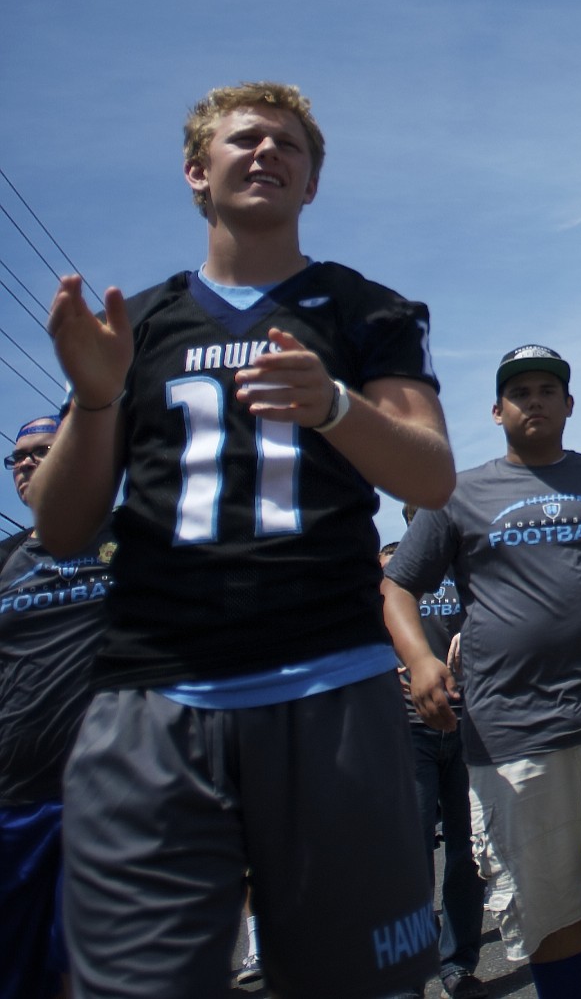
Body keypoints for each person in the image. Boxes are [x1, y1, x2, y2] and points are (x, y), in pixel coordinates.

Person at [30, 82, 454, 998]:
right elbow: (61, 529)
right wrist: (98, 398)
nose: (267, 152)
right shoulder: (135, 326)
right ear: (196, 171)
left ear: (310, 183)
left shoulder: (364, 309)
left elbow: (430, 478)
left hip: (330, 685)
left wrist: (336, 405)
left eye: (289, 145)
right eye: (244, 139)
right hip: (154, 698)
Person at [384, 345, 581, 999]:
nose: (534, 399)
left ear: (569, 405)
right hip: (509, 729)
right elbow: (397, 588)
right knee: (547, 900)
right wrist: (418, 660)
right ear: (497, 410)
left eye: (548, 389)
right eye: (520, 391)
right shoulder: (458, 493)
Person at [1, 412, 115, 999]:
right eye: (16, 456)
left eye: (42, 451)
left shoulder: (133, 538)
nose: (25, 462)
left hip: (110, 796)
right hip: (15, 799)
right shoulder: (5, 561)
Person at [380, 530, 489, 999]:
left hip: (470, 727)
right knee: (410, 856)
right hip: (409, 729)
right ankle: (408, 973)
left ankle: (457, 964)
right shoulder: (392, 576)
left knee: (468, 854)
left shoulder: (469, 571)